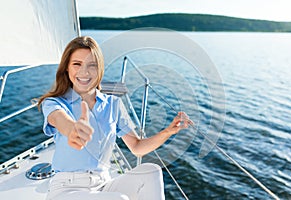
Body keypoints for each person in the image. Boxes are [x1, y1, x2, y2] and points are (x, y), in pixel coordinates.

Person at [38, 36, 192, 200]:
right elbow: (58, 119)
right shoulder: (55, 102)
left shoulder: (114, 104)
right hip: (66, 189)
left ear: (100, 70)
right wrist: (72, 129)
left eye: (92, 65)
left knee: (151, 171)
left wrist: (168, 132)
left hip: (103, 185)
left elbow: (137, 146)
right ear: (67, 68)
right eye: (77, 64)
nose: (84, 72)